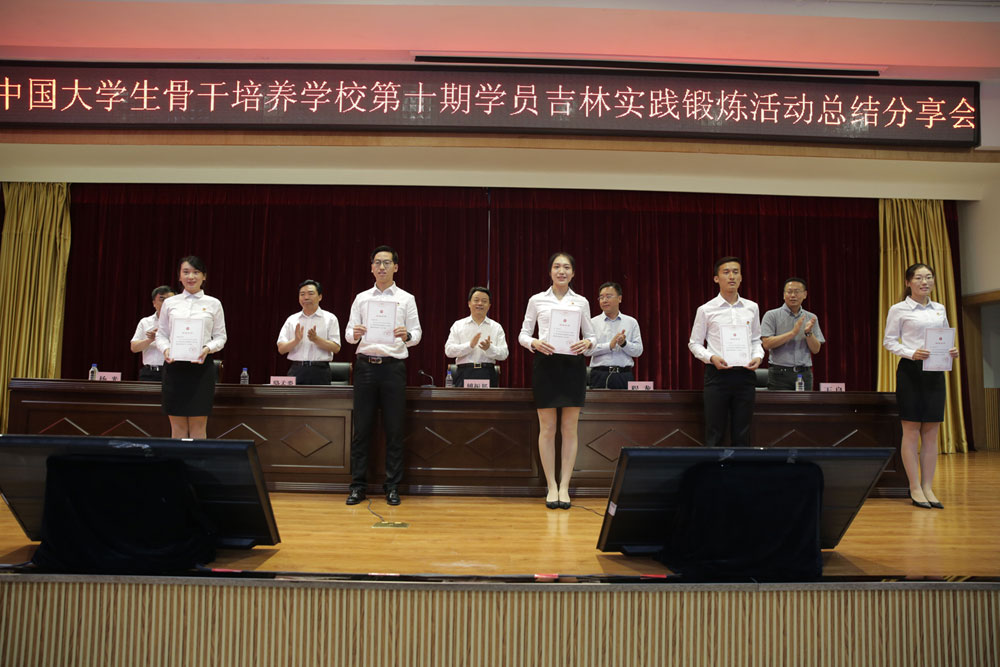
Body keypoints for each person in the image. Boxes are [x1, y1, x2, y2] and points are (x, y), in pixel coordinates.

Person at [344, 245, 421, 506]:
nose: (381, 267)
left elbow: (417, 334)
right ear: (371, 267)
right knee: (362, 429)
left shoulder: (406, 298)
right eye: (377, 262)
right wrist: (354, 333)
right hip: (365, 367)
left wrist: (407, 335)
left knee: (394, 429)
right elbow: (348, 334)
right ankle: (358, 486)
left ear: (396, 267)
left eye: (387, 263)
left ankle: (392, 486)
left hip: (393, 368)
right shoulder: (361, 298)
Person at [518, 252, 596, 510]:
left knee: (569, 428)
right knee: (548, 428)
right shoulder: (536, 300)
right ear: (550, 271)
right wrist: (534, 343)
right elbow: (523, 334)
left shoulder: (581, 301)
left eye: (566, 267)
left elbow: (592, 336)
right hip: (546, 364)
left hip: (573, 366)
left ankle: (565, 486)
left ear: (573, 273)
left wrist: (588, 343)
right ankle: (551, 485)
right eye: (556, 267)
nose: (561, 271)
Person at [882, 263, 959, 510]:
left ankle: (928, 486)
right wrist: (911, 352)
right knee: (911, 430)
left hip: (935, 371)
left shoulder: (939, 308)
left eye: (928, 277)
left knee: (931, 432)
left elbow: (944, 338)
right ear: (908, 282)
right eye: (918, 278)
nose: (924, 282)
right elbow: (889, 341)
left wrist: (951, 350)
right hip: (911, 371)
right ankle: (914, 487)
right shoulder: (898, 309)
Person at [687, 256, 764, 447]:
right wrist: (711, 357)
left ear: (741, 277)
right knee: (715, 432)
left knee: (743, 432)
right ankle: (714, 466)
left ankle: (742, 466)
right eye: (726, 272)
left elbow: (756, 340)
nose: (732, 276)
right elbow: (694, 343)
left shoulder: (752, 307)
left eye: (736, 272)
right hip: (717, 375)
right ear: (716, 278)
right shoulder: (706, 309)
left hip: (745, 374)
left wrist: (758, 356)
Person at [155, 256, 227, 439]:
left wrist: (207, 348)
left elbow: (221, 337)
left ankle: (197, 459)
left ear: (204, 276)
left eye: (196, 272)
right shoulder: (170, 303)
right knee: (177, 427)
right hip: (174, 367)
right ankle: (178, 459)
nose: (191, 277)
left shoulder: (213, 303)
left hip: (201, 369)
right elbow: (161, 334)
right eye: (186, 272)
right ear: (179, 276)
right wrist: (166, 349)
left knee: (198, 426)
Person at [761, 277, 825, 390]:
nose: (793, 295)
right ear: (783, 295)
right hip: (779, 374)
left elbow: (816, 349)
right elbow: (766, 344)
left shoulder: (811, 317)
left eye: (797, 292)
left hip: (804, 374)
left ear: (805, 294)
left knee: (804, 403)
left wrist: (808, 333)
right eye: (789, 291)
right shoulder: (771, 315)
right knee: (779, 403)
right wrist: (792, 333)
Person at [276, 279, 341, 385]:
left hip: (320, 371)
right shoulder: (292, 319)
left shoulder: (330, 318)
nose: (306, 297)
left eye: (310, 293)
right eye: (302, 294)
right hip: (296, 370)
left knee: (320, 397)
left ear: (320, 297)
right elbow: (281, 349)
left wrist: (316, 339)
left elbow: (336, 348)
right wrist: (296, 340)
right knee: (293, 397)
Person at [444, 286, 509, 387]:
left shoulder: (496, 327)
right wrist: (469, 346)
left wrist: (489, 348)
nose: (480, 303)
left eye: (484, 301)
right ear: (469, 303)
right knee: (463, 398)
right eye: (476, 300)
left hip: (487, 372)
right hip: (463, 372)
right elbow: (449, 351)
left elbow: (504, 354)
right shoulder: (458, 325)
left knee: (487, 399)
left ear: (489, 306)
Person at [586, 281, 643, 389]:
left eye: (608, 296)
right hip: (599, 375)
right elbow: (586, 351)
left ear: (619, 298)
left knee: (625, 401)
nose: (604, 300)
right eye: (601, 297)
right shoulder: (592, 323)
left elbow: (638, 351)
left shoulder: (631, 322)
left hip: (623, 375)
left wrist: (624, 344)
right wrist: (609, 346)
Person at [130, 285, 174, 381]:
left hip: (173, 372)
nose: (166, 303)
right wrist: (150, 339)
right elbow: (134, 347)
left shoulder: (181, 323)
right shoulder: (145, 322)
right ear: (154, 303)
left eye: (170, 300)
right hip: (149, 373)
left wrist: (162, 336)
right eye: (162, 299)